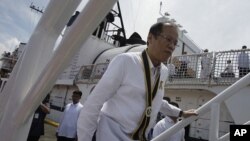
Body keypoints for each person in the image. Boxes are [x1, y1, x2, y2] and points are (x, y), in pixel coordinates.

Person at [77, 22, 197, 141]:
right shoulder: (126, 61)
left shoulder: (163, 72)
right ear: (150, 38)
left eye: (175, 43)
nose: (171, 46)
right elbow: (93, 103)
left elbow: (156, 100)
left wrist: (181, 113)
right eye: (168, 39)